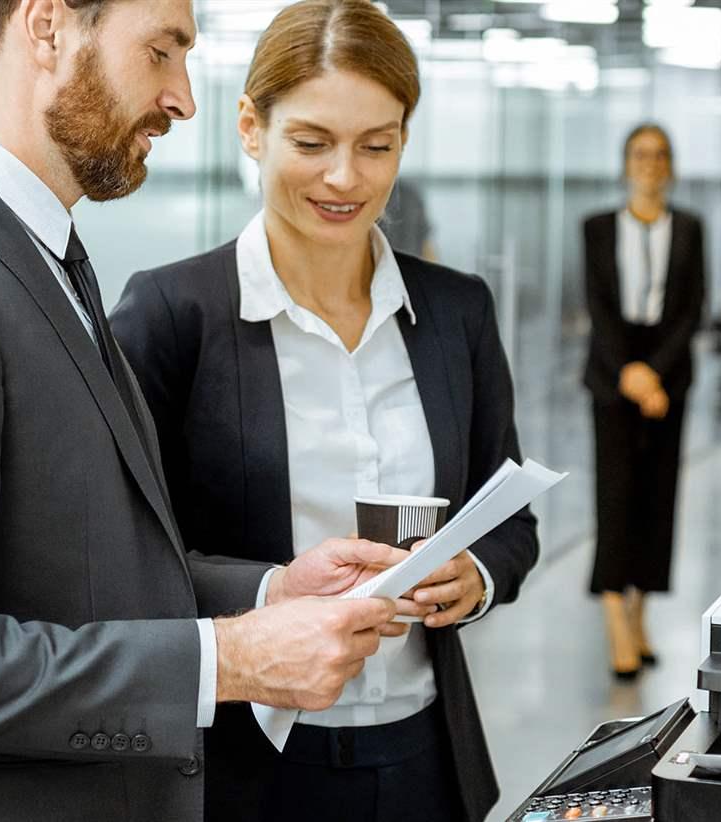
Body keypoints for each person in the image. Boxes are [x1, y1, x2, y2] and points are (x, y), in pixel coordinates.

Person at [0, 0, 430, 817]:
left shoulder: (42, 256)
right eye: (162, 52)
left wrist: (272, 595)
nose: (183, 98)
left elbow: (84, 568)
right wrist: (228, 661)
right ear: (49, 25)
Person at [111, 2, 537, 818]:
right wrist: (272, 591)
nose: (345, 178)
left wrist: (474, 576)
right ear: (250, 128)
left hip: (424, 756)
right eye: (312, 143)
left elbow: (510, 521)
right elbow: (125, 561)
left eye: (376, 146)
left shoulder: (457, 314)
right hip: (245, 767)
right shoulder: (172, 315)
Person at [580, 123, 707, 680]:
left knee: (659, 497)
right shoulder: (598, 227)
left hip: (669, 372)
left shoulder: (692, 228)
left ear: (671, 166)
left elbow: (691, 310)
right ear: (626, 164)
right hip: (613, 371)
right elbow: (597, 305)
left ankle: (640, 612)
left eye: (659, 155)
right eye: (640, 154)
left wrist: (655, 374)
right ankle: (613, 615)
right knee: (615, 494)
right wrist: (629, 371)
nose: (650, 164)